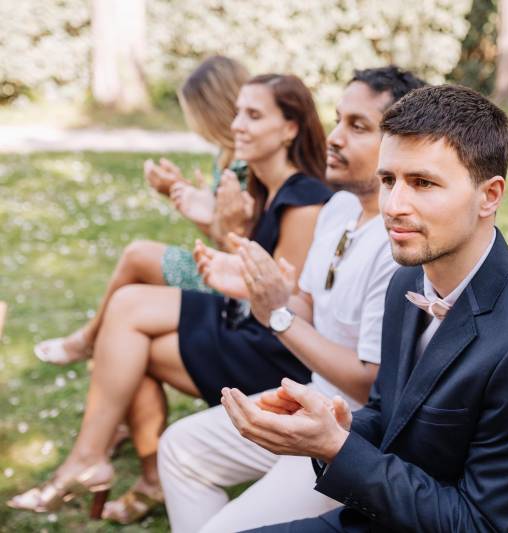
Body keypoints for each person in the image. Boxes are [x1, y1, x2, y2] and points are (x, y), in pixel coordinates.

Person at [220, 84, 508, 532]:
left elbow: (480, 525)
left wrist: (335, 448)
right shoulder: (407, 281)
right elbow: (391, 414)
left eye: (423, 183)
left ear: (490, 195)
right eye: (387, 181)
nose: (394, 206)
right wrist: (333, 426)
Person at [7, 73, 330, 524]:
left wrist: (226, 232)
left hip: (272, 353)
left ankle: (91, 461)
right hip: (241, 323)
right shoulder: (262, 186)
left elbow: (282, 306)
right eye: (237, 112)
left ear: (290, 128)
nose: (237, 124)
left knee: (126, 320)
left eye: (253, 115)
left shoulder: (306, 201)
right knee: (122, 343)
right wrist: (221, 224)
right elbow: (246, 266)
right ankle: (116, 465)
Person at [157, 66, 426, 533]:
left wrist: (277, 316)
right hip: (308, 396)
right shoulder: (338, 208)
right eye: (338, 119)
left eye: (358, 127)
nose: (335, 137)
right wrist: (255, 288)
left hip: (350, 428)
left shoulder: (399, 242)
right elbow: (304, 305)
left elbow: (368, 383)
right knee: (179, 447)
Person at [34, 55, 252, 365]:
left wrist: (195, 205)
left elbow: (232, 242)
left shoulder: (245, 165)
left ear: (212, 111)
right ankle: (90, 340)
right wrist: (182, 193)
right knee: (134, 282)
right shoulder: (229, 154)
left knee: (137, 256)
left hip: (235, 288)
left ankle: (87, 340)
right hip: (225, 267)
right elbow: (223, 232)